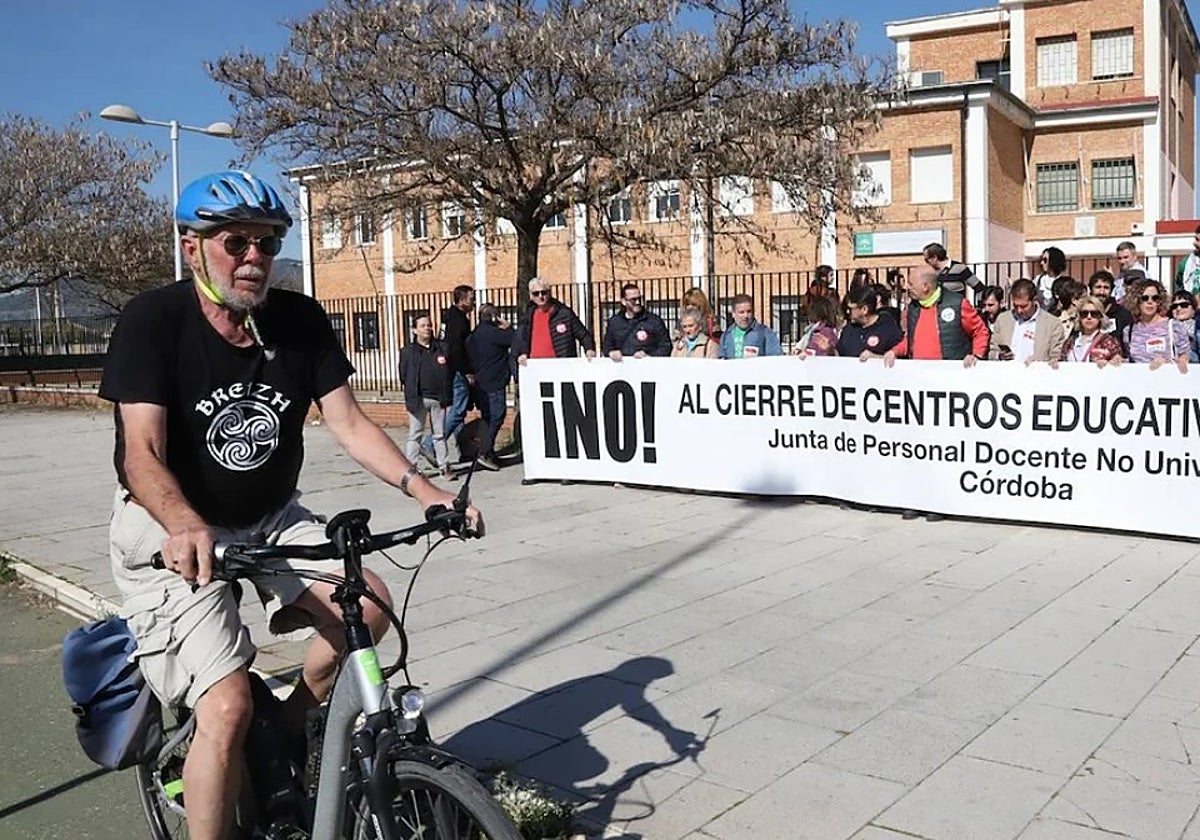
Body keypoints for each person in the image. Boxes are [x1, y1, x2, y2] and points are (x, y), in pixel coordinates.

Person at [98, 171, 480, 840]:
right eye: (236, 242)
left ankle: (297, 718)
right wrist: (185, 524)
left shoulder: (298, 320)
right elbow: (141, 453)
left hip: (270, 519)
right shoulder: (153, 321)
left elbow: (352, 423)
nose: (255, 258)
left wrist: (426, 492)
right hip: (172, 526)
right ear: (194, 247)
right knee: (227, 706)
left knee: (368, 605)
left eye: (268, 243)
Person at [879, 267, 989, 365]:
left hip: (950, 373)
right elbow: (911, 340)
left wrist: (976, 355)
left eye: (911, 284)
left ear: (925, 287)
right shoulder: (913, 308)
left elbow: (980, 331)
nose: (907, 287)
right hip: (920, 376)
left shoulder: (957, 303)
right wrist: (894, 351)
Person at [401, 315, 455, 480]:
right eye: (423, 326)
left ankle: (444, 467)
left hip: (438, 398)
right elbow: (403, 374)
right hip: (417, 399)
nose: (427, 328)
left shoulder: (442, 348)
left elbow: (449, 371)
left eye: (429, 325)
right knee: (415, 434)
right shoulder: (408, 352)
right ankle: (412, 469)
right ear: (415, 330)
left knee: (439, 434)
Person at [466, 304, 514, 471]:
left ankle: (489, 452)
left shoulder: (474, 335)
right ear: (494, 317)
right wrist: (508, 327)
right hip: (495, 381)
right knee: (497, 415)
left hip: (480, 382)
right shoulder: (495, 333)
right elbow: (514, 340)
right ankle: (485, 451)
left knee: (487, 418)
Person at [513, 277, 596, 364]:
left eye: (544, 292)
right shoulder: (528, 316)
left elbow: (584, 335)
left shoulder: (564, 313)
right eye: (536, 293)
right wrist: (523, 353)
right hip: (535, 366)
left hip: (560, 366)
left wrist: (589, 349)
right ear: (531, 296)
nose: (541, 296)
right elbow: (522, 339)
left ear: (549, 293)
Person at [987, 278, 1066, 364]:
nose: (1019, 310)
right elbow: (992, 352)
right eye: (1015, 306)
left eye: (1024, 306)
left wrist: (1040, 363)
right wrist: (999, 356)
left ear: (1034, 300)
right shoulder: (1003, 320)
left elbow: (1056, 358)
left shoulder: (1052, 324)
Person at [439, 284, 475, 465]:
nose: (473, 301)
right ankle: (432, 443)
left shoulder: (448, 317)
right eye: (471, 298)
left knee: (456, 410)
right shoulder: (458, 320)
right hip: (457, 371)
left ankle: (465, 449)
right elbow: (456, 348)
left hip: (449, 370)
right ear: (461, 300)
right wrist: (466, 370)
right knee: (458, 411)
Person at [1123, 278, 1191, 369]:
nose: (1150, 302)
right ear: (1137, 300)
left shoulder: (1174, 326)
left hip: (1167, 379)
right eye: (1145, 298)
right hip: (1139, 381)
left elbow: (1185, 358)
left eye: (1155, 298)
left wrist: (1168, 363)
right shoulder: (1129, 331)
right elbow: (1130, 361)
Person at [602, 282, 672, 360]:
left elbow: (666, 347)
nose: (638, 302)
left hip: (647, 369)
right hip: (622, 369)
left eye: (639, 298)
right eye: (633, 300)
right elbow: (606, 347)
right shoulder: (614, 322)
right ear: (623, 301)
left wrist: (649, 356)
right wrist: (611, 352)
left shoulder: (654, 321)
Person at [838, 283, 903, 359]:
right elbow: (840, 355)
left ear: (864, 309)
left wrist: (875, 358)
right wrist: (830, 350)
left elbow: (900, 358)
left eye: (850, 309)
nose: (847, 312)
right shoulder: (849, 329)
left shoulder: (887, 327)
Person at [1058, 294, 1123, 365]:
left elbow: (1118, 363)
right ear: (1079, 317)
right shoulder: (1070, 341)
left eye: (1094, 314)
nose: (1089, 317)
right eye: (1084, 313)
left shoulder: (1109, 341)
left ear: (1100, 316)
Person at [718, 294, 783, 358]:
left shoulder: (765, 333)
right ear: (733, 314)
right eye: (741, 312)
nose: (746, 316)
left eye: (749, 311)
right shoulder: (726, 336)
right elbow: (721, 361)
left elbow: (776, 358)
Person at [1088, 269, 1133, 351]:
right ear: (1091, 289)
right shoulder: (1084, 312)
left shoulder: (1123, 314)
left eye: (1106, 288)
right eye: (1098, 287)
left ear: (1111, 290)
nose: (1101, 292)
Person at [1169, 290, 1200, 363]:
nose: (1178, 309)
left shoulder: (1198, 328)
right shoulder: (1167, 327)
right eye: (1174, 306)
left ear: (1193, 309)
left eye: (1184, 305)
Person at [1175, 224, 1200, 298]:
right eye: (1195, 239)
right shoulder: (1186, 263)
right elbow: (1179, 286)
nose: (1194, 243)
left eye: (1198, 240)